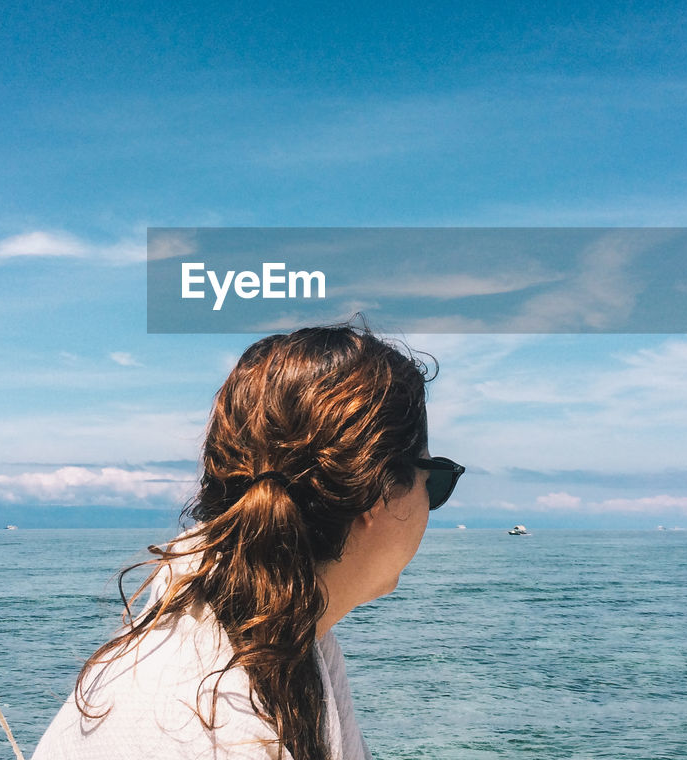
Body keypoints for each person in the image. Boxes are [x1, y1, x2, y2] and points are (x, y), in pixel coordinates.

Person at [32, 322, 465, 760]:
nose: (432, 503)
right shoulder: (220, 734)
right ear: (377, 490)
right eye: (436, 481)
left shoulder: (270, 620)